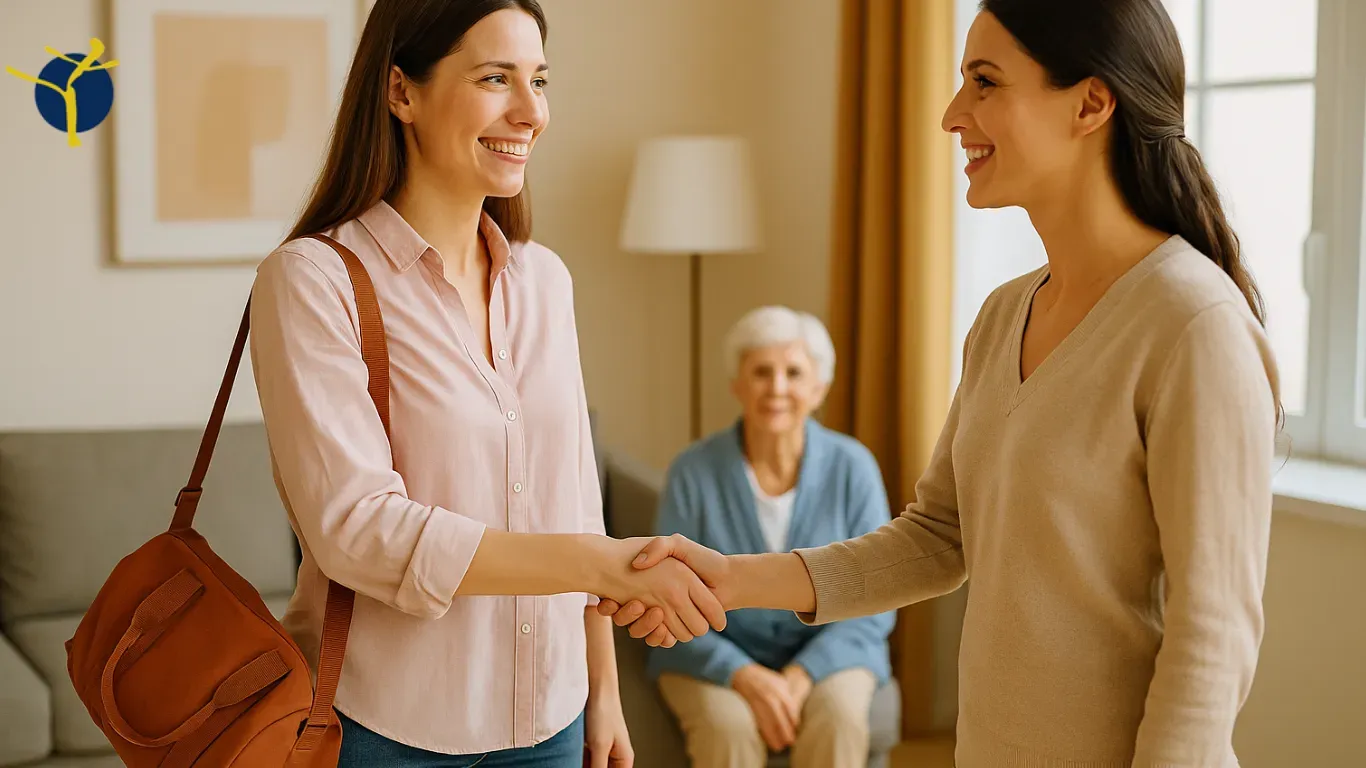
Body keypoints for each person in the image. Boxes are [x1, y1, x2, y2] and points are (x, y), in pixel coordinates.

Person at [601, 1, 1281, 766]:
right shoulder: (1003, 316)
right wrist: (730, 580)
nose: (953, 114)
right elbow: (938, 536)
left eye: (985, 81)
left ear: (1091, 104)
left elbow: (1212, 634)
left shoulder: (1194, 326)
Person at [248, 2, 721, 766]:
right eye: (496, 78)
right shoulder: (312, 281)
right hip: (381, 727)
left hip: (553, 718)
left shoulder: (544, 280)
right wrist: (597, 565)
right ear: (401, 91)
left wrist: (603, 691)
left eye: (539, 80)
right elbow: (357, 530)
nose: (531, 111)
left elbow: (575, 496)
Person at [647, 307, 894, 768]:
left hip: (832, 652)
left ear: (819, 388)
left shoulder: (853, 466)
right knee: (728, 728)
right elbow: (667, 595)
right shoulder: (692, 471)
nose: (777, 388)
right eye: (761, 372)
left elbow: (877, 594)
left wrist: (803, 675)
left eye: (794, 373)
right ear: (737, 384)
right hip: (712, 654)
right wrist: (742, 674)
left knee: (838, 716)